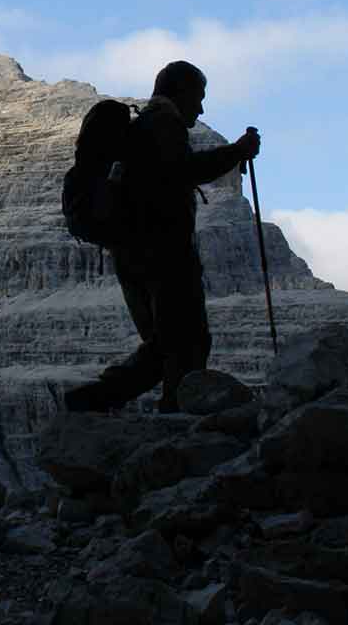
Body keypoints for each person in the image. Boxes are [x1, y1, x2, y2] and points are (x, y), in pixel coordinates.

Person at [65, 60, 260, 413]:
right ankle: (163, 414)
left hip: (130, 253)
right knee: (187, 342)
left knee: (164, 344)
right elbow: (183, 172)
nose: (200, 108)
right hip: (164, 252)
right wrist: (236, 152)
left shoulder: (141, 126)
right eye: (198, 97)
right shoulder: (163, 122)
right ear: (180, 91)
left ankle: (105, 397)